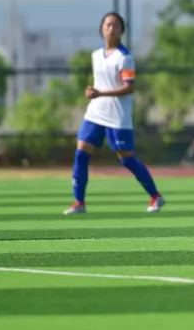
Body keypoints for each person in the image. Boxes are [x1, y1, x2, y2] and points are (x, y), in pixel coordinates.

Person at [64, 12, 165, 215]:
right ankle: (79, 202)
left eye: (116, 25)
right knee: (81, 154)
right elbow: (100, 83)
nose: (111, 28)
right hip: (95, 113)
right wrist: (91, 91)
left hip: (117, 116)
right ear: (102, 28)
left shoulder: (124, 57)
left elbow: (129, 87)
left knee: (126, 159)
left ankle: (155, 196)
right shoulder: (95, 55)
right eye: (108, 24)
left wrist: (101, 93)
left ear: (121, 31)